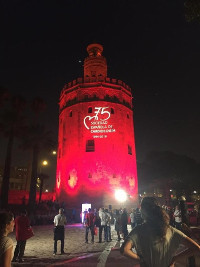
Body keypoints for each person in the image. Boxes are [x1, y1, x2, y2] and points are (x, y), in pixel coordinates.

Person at [121, 197, 200, 267]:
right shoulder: (171, 230)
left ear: (143, 211)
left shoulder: (138, 230)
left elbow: (124, 250)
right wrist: (175, 258)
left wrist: (141, 259)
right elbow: (196, 248)